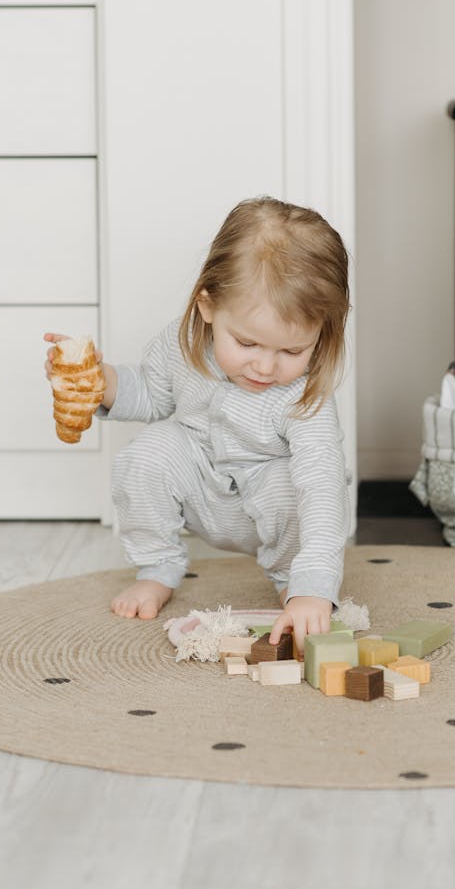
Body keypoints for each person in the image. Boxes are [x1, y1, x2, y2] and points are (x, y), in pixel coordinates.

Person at [44, 196, 351, 650]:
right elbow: (148, 393)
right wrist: (96, 379)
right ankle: (158, 568)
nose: (265, 367)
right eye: (246, 343)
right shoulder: (183, 343)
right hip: (202, 486)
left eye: (291, 351)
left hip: (270, 501)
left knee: (301, 484)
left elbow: (322, 490)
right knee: (148, 451)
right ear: (208, 306)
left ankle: (294, 585)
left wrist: (315, 585)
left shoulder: (306, 396)